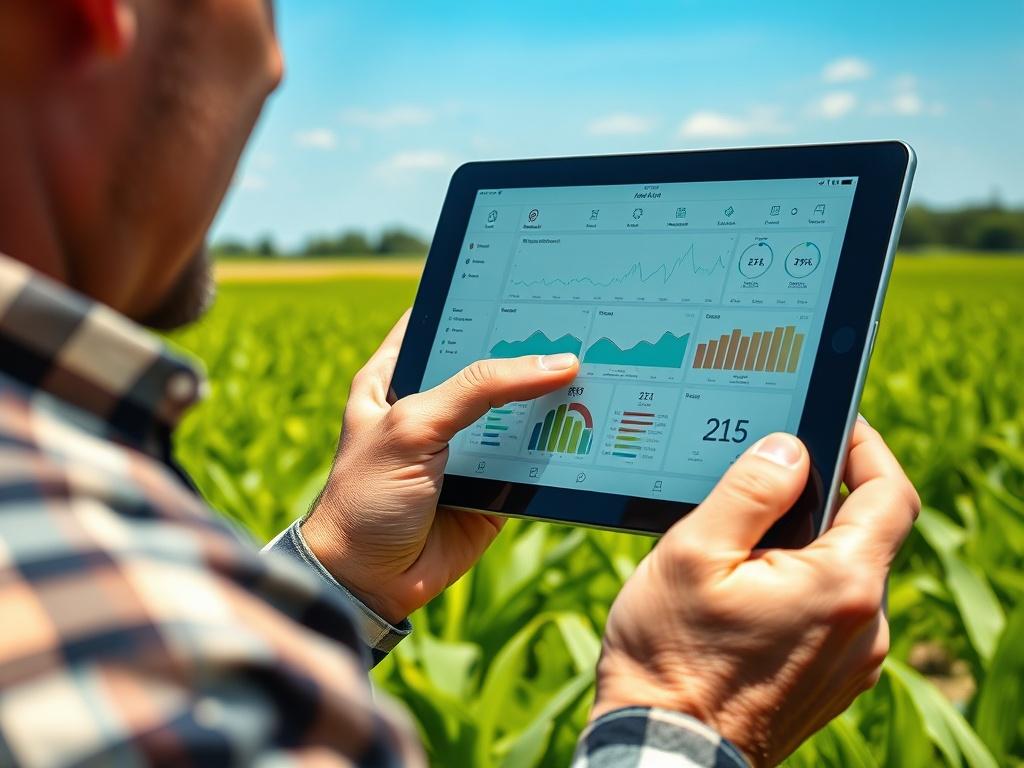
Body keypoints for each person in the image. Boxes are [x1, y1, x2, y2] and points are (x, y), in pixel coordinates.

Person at [0, 1, 920, 766]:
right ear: (94, 15)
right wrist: (690, 713)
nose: (276, 64)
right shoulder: (94, 620)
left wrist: (334, 576)